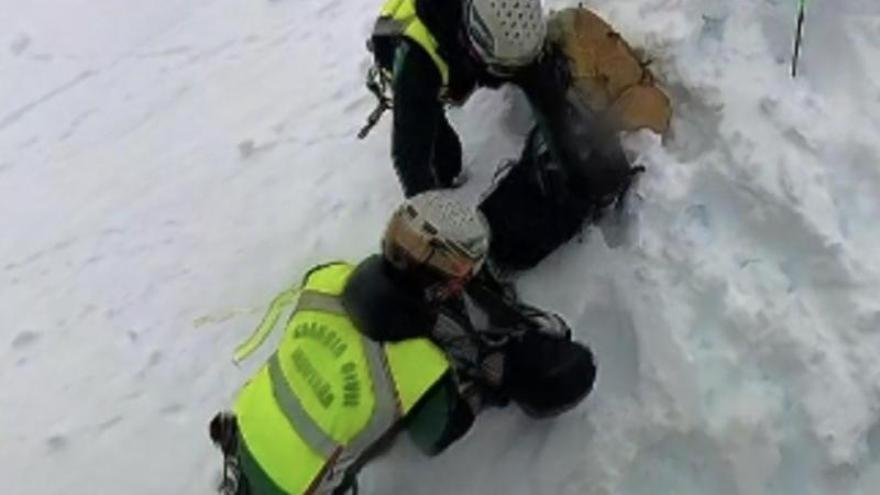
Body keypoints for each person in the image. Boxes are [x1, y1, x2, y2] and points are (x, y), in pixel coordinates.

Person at [209, 191, 596, 494]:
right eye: (462, 273)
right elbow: (436, 437)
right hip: (297, 485)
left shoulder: (325, 280)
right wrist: (480, 385)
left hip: (248, 421)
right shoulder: (420, 366)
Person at [365, 0, 547, 197]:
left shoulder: (502, 20)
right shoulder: (417, 67)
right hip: (405, 49)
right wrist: (428, 212)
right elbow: (410, 157)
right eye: (503, 66)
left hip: (452, 44)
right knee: (446, 160)